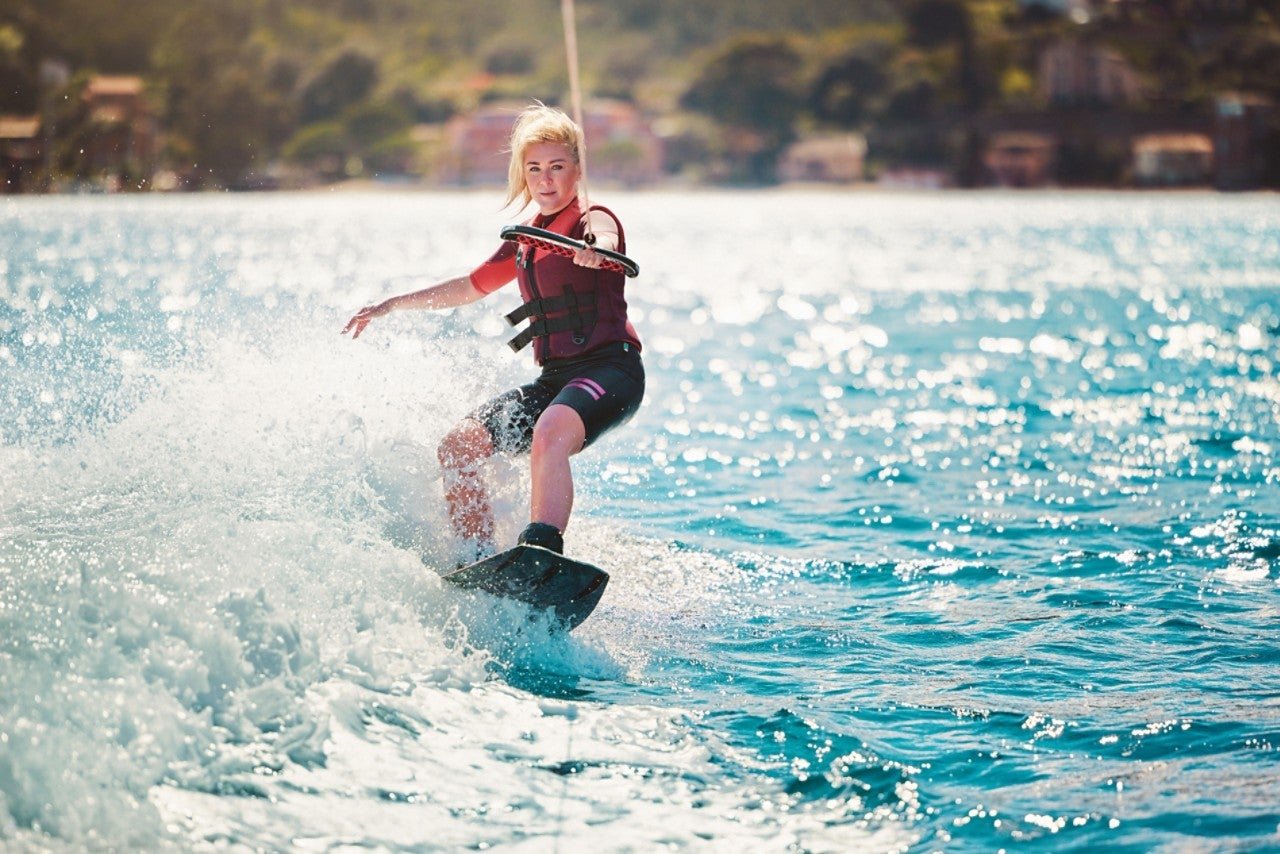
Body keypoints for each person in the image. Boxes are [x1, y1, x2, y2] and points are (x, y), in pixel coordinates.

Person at [342, 103, 644, 563]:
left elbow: (605, 235)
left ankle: (542, 547)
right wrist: (393, 304)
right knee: (458, 445)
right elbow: (469, 286)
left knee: (551, 429)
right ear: (523, 175)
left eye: (557, 167)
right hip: (555, 380)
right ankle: (477, 555)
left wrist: (595, 251)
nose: (546, 179)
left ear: (577, 170)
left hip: (611, 371)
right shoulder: (526, 238)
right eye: (535, 168)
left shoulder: (592, 219)